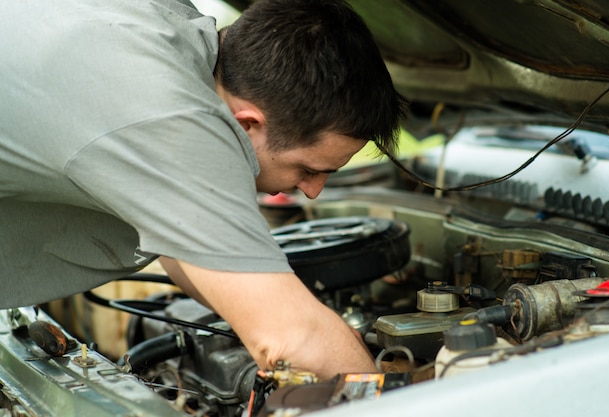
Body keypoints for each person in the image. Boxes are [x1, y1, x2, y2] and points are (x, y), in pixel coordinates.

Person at [0, 0, 407, 380]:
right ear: (248, 123)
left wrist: (319, 329)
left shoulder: (169, 27)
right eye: (308, 169)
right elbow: (288, 336)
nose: (313, 192)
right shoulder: (169, 115)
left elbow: (183, 242)